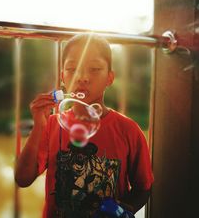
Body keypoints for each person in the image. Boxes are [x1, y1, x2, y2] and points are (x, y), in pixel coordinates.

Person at [15, 33, 154, 217]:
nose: (82, 77)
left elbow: (143, 188)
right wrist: (39, 126)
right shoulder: (52, 125)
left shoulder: (128, 130)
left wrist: (123, 210)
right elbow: (23, 179)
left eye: (94, 69)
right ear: (63, 77)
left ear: (110, 78)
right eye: (72, 69)